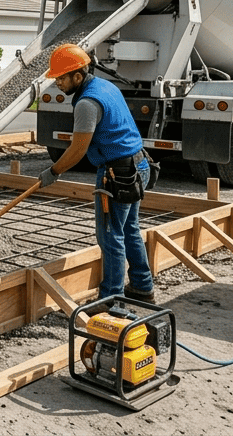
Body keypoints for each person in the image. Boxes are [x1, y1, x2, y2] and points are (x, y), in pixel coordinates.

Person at [38, 43, 156, 303]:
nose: (56, 83)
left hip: (118, 175)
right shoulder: (106, 87)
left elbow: (78, 149)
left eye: (61, 78)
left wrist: (53, 171)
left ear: (77, 76)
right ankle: (142, 287)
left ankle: (110, 297)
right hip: (138, 166)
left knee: (111, 236)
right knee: (129, 230)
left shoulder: (87, 103)